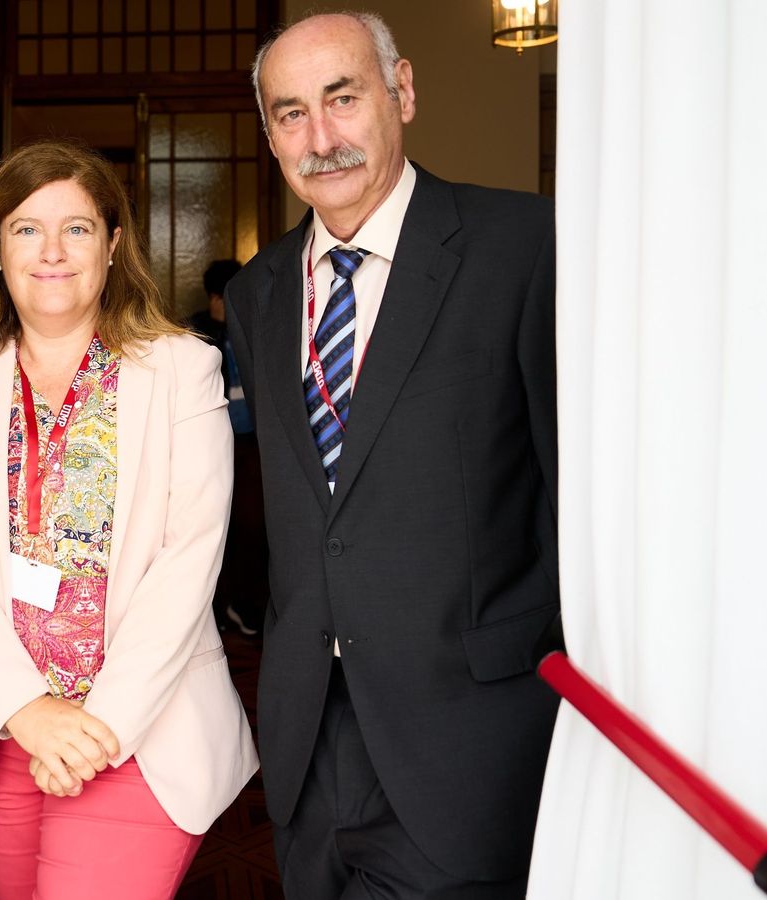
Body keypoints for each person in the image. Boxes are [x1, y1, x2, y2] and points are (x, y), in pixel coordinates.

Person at [227, 12, 560, 899]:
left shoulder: (523, 248)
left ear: (402, 91)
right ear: (270, 134)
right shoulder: (257, 294)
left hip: (467, 742)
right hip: (308, 748)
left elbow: (576, 500)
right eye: (291, 114)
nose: (320, 137)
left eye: (342, 98)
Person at [0, 140, 258, 900]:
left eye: (77, 228)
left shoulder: (183, 368)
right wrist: (26, 710)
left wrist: (99, 730)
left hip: (139, 729)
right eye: (27, 229)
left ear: (114, 244)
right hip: (4, 726)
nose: (52, 251)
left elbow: (189, 556)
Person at [187, 259, 266, 636]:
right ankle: (214, 608)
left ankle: (245, 603)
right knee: (209, 525)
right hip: (210, 443)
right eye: (221, 298)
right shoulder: (196, 332)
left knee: (253, 525)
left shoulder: (255, 325)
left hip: (252, 441)